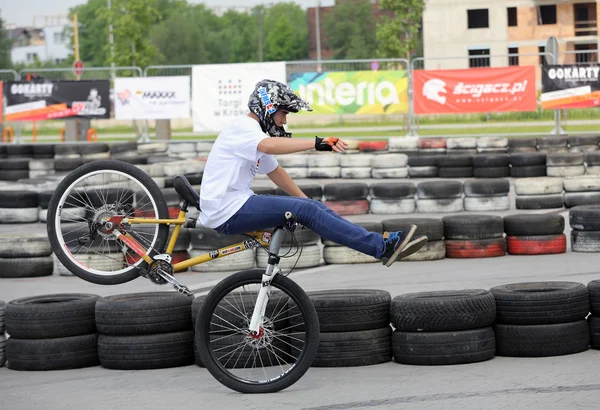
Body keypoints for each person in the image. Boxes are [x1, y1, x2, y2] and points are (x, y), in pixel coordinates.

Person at [191, 79, 427, 267]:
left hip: (234, 204)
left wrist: (305, 202)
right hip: (226, 209)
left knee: (311, 208)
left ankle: (381, 244)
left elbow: (275, 171)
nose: (284, 121)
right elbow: (269, 146)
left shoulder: (250, 132)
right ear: (267, 109)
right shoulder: (243, 127)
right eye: (283, 114)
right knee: (308, 210)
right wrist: (316, 143)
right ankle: (381, 248)